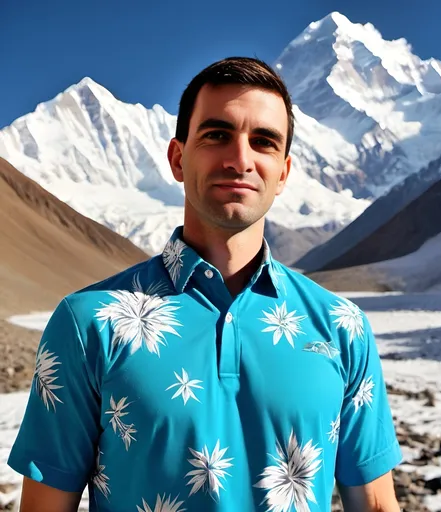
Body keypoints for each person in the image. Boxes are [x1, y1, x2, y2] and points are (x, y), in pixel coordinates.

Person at [8, 57, 402, 512]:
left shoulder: (341, 328)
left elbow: (375, 504)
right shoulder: (88, 323)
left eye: (264, 142)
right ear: (178, 158)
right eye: (217, 135)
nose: (240, 159)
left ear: (284, 174)